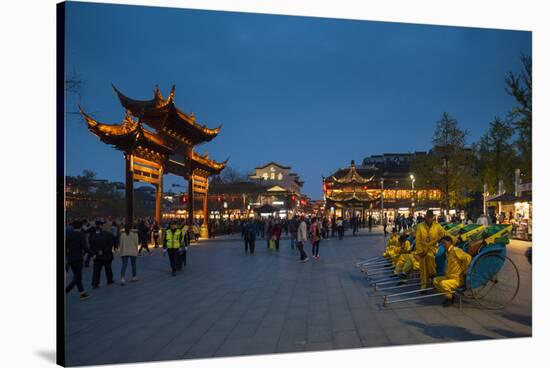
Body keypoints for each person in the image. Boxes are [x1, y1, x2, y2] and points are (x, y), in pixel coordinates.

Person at [433, 235, 472, 307]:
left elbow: (468, 258)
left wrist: (465, 270)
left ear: (450, 242)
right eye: (442, 243)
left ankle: (450, 298)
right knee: (435, 280)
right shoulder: (448, 252)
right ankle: (449, 295)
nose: (443, 245)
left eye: (444, 243)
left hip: (457, 279)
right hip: (449, 277)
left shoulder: (455, 250)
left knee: (443, 284)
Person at [415, 210, 449, 290]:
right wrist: (420, 251)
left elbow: (445, 234)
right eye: (428, 217)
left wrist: (454, 239)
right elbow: (418, 240)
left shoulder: (437, 226)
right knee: (423, 266)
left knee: (429, 257)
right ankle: (424, 285)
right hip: (423, 249)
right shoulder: (420, 226)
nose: (430, 219)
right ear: (425, 217)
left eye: (431, 217)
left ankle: (432, 274)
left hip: (433, 249)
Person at [65, 220, 90, 300]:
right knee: (77, 278)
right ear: (80, 226)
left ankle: (82, 293)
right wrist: (92, 254)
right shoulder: (81, 235)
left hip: (70, 258)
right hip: (78, 258)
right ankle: (66, 290)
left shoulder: (69, 235)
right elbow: (85, 247)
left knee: (77, 276)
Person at [89, 220, 116, 288]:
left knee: (96, 270)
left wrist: (97, 252)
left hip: (97, 256)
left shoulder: (94, 235)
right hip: (107, 255)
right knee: (108, 268)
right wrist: (103, 251)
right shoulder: (109, 235)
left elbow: (92, 246)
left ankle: (95, 283)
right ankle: (109, 280)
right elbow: (110, 246)